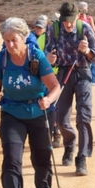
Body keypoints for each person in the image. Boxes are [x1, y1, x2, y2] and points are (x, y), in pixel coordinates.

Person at [0, 17, 60, 188]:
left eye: (13, 40)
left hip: (39, 112)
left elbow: (55, 86)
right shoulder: (2, 59)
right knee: (11, 159)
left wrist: (48, 99)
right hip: (12, 113)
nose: (10, 45)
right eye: (6, 40)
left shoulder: (36, 57)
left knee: (41, 157)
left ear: (24, 38)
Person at [45, 2, 95, 176]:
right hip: (62, 74)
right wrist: (49, 57)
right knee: (61, 119)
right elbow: (46, 50)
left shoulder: (84, 28)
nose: (68, 25)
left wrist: (87, 51)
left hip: (82, 73)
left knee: (84, 117)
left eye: (71, 21)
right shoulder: (53, 29)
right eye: (65, 21)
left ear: (76, 17)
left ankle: (81, 157)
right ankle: (69, 144)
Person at [31, 15, 61, 148]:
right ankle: (50, 134)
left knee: (55, 106)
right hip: (45, 77)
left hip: (59, 76)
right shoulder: (39, 40)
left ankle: (56, 133)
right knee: (48, 106)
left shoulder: (64, 38)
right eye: (37, 27)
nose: (38, 30)